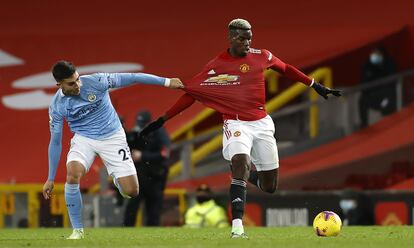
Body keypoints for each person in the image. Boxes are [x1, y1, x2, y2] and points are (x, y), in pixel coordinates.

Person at [140, 18, 341, 238]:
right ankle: (237, 228)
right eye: (242, 38)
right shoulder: (216, 66)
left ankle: (244, 175)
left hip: (262, 123)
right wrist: (162, 120)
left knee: (269, 185)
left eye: (250, 38)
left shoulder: (262, 56)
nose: (247, 43)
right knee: (241, 161)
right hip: (235, 123)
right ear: (231, 37)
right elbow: (192, 93)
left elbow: (286, 69)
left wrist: (315, 85)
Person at [42, 60, 183, 239]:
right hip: (84, 139)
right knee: (72, 173)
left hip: (113, 137)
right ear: (59, 84)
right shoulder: (57, 106)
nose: (77, 85)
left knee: (132, 192)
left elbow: (133, 77)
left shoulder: (97, 81)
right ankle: (77, 231)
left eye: (77, 79)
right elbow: (55, 142)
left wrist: (166, 82)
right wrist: (50, 178)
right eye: (71, 83)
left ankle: (118, 180)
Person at [123, 110, 171, 227]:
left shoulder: (160, 132)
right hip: (140, 176)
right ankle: (127, 233)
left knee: (153, 209)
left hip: (155, 177)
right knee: (132, 207)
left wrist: (142, 156)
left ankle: (152, 236)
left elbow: (165, 153)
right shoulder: (137, 133)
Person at [359, 46, 398, 128]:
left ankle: (391, 124)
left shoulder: (389, 63)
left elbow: (392, 80)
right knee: (362, 100)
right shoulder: (367, 65)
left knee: (386, 102)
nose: (375, 56)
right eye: (373, 53)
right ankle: (364, 125)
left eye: (377, 54)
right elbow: (364, 83)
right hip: (373, 95)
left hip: (386, 94)